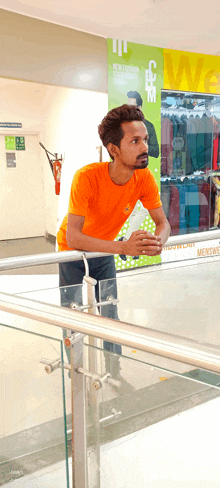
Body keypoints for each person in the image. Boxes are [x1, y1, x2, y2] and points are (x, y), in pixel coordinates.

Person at [57, 104, 170, 381]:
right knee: (73, 315)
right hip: (72, 253)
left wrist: (157, 242)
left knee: (110, 312)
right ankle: (76, 375)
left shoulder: (143, 177)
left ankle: (114, 373)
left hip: (105, 249)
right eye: (135, 141)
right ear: (114, 149)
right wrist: (123, 247)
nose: (145, 146)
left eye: (145, 139)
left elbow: (163, 224)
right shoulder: (87, 178)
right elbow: (74, 236)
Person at [118, 92, 160, 260]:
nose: (130, 110)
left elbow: (156, 151)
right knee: (133, 211)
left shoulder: (148, 126)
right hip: (127, 175)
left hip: (142, 175)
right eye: (128, 106)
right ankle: (130, 243)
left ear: (140, 108)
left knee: (142, 210)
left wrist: (143, 146)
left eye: (133, 106)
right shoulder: (122, 128)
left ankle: (126, 241)